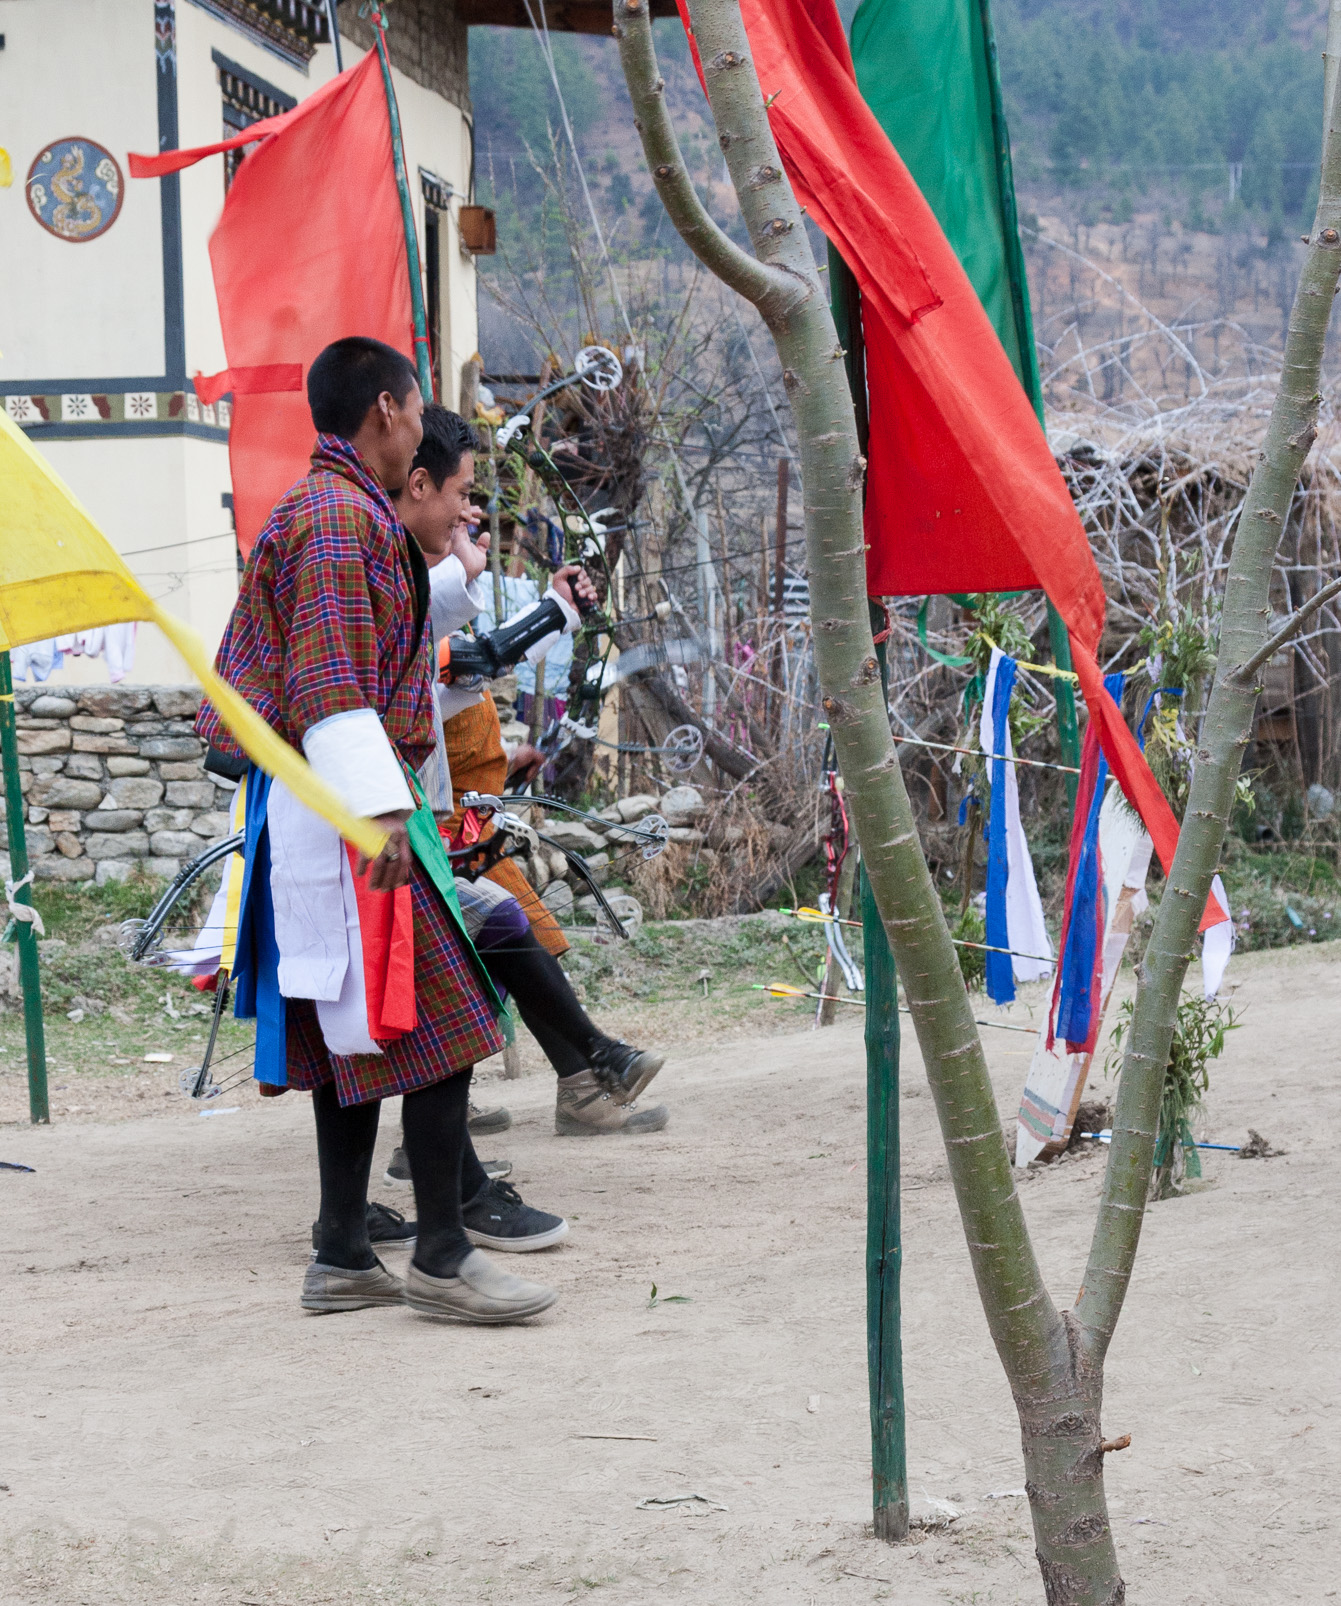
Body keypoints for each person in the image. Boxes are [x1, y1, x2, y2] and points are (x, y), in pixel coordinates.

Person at [196, 336, 562, 1324]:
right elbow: (324, 682)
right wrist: (389, 822)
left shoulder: (350, 515)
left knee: (351, 1030)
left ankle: (345, 1245)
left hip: (336, 803)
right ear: (391, 412)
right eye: (420, 407)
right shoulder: (331, 517)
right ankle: (441, 1253)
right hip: (353, 810)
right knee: (449, 1017)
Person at [375, 405, 667, 1195]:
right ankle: (562, 1088)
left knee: (492, 944)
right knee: (475, 952)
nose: (473, 512)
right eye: (463, 494)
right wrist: (553, 610)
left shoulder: (412, 579)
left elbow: (459, 666)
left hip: (437, 826)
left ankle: (558, 1089)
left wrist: (538, 601)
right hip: (389, 834)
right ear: (416, 484)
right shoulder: (382, 579)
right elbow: (465, 660)